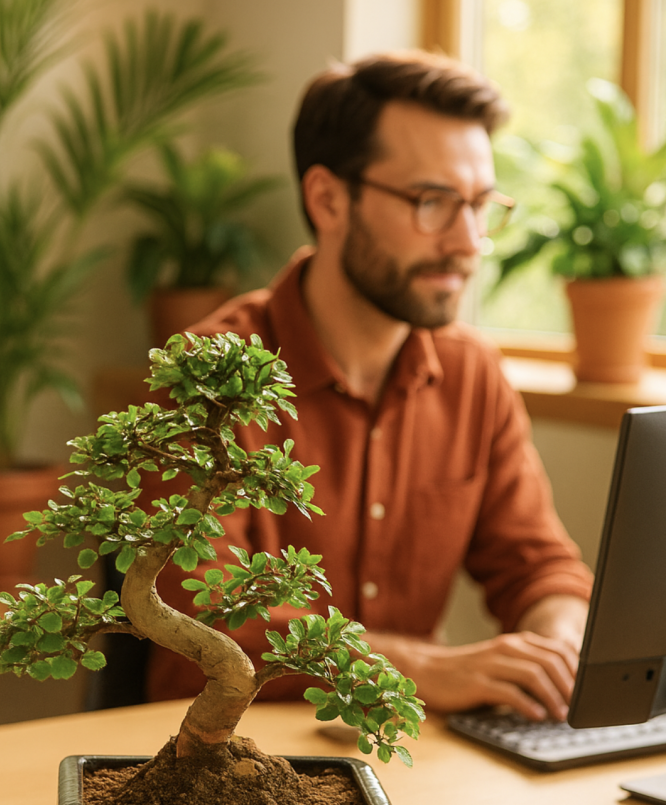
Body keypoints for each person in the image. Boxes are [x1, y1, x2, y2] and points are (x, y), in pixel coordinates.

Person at [144, 50, 593, 721]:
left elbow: (539, 568)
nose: (468, 241)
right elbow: (201, 622)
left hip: (409, 751)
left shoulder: (472, 374)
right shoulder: (209, 377)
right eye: (432, 202)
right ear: (328, 200)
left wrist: (558, 648)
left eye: (480, 205)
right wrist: (422, 668)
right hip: (229, 751)